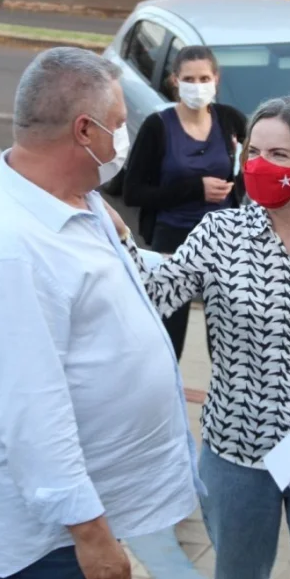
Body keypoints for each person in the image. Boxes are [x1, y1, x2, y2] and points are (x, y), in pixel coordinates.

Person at [0, 47, 203, 579]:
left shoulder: (74, 199)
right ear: (85, 130)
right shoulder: (8, 247)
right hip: (58, 544)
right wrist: (91, 536)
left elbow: (118, 283)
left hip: (108, 510)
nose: (123, 138)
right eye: (119, 125)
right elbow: (31, 410)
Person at [106, 95, 290, 579]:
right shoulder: (219, 232)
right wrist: (120, 242)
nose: (259, 165)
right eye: (253, 152)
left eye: (278, 154)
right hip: (236, 446)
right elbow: (158, 293)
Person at [122, 45, 246, 360]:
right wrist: (194, 189)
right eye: (189, 79)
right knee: (168, 340)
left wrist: (236, 185)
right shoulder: (157, 126)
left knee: (225, 343)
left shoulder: (230, 120)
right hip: (173, 241)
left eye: (204, 78)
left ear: (216, 79)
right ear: (175, 80)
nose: (197, 85)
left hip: (223, 241)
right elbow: (133, 191)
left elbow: (251, 169)